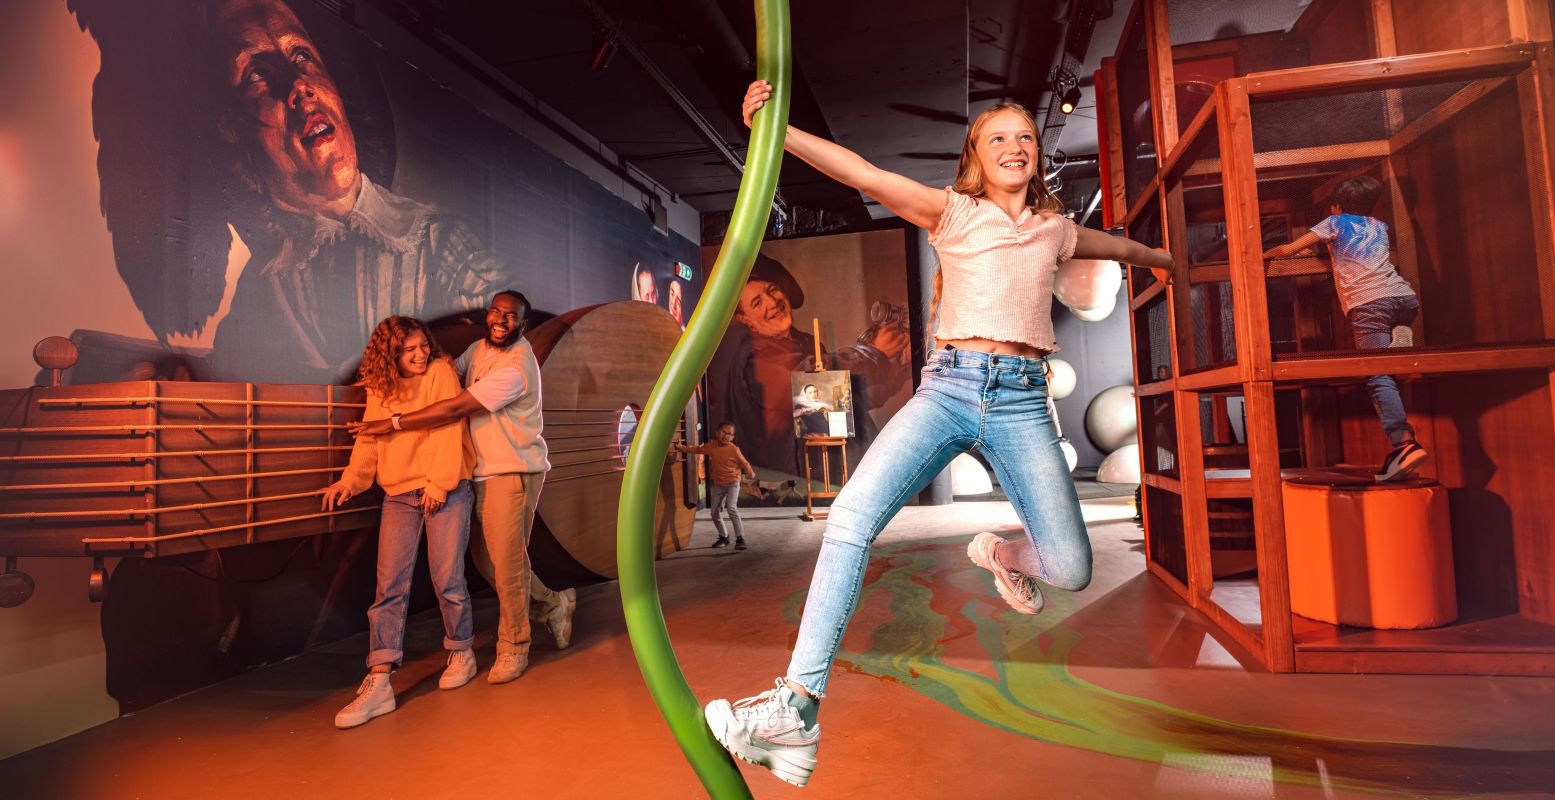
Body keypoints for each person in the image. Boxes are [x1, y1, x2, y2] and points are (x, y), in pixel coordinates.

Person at [702, 80, 1175, 787]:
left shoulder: (1057, 230)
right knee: (850, 520)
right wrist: (773, 129)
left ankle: (1001, 551)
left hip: (1021, 402)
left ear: (1037, 155)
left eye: (1023, 137)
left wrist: (1172, 261)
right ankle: (794, 711)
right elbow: (861, 171)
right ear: (974, 159)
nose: (1013, 147)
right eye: (996, 139)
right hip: (949, 388)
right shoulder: (951, 212)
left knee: (1071, 568)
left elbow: (1122, 247)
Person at [201, 0, 499, 382]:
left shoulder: (440, 244)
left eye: (302, 55)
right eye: (258, 75)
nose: (298, 86)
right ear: (232, 135)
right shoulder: (261, 287)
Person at [350, 290, 576, 685]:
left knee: (505, 566)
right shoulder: (478, 349)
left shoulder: (516, 366)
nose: (501, 320)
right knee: (488, 563)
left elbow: (453, 406)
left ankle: (514, 645)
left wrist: (395, 422)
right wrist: (387, 378)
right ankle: (554, 603)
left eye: (511, 316)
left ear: (523, 325)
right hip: (478, 474)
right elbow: (440, 378)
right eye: (496, 311)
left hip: (511, 472)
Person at [323, 316, 478, 729]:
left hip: (445, 487)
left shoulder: (441, 372)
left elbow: (448, 426)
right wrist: (350, 482)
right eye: (409, 349)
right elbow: (370, 438)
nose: (420, 354)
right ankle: (380, 679)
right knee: (389, 587)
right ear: (390, 353)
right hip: (399, 494)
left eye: (423, 345)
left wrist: (440, 484)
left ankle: (462, 649)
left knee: (448, 578)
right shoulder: (381, 385)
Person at [1263, 175, 1427, 481]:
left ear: (1336, 206)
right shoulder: (1379, 226)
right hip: (1404, 299)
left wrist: (1263, 256)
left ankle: (1404, 443)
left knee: (1377, 376)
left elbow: (1287, 250)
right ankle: (1400, 334)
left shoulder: (1335, 223)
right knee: (1386, 364)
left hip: (1369, 306)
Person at [706, 253, 909, 475]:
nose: (772, 303)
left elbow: (846, 402)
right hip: (795, 481)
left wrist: (900, 367)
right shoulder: (752, 360)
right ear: (746, 320)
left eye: (772, 290)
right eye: (757, 303)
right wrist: (870, 352)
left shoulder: (805, 342)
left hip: (836, 470)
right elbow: (800, 383)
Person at [674, 422, 758, 550]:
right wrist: (681, 447)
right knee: (714, 513)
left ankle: (740, 538)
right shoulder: (711, 446)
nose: (726, 436)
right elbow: (697, 450)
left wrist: (751, 474)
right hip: (719, 484)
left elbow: (745, 463)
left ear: (733, 437)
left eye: (730, 434)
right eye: (724, 432)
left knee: (731, 508)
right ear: (717, 433)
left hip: (733, 483)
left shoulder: (734, 449)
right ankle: (724, 537)